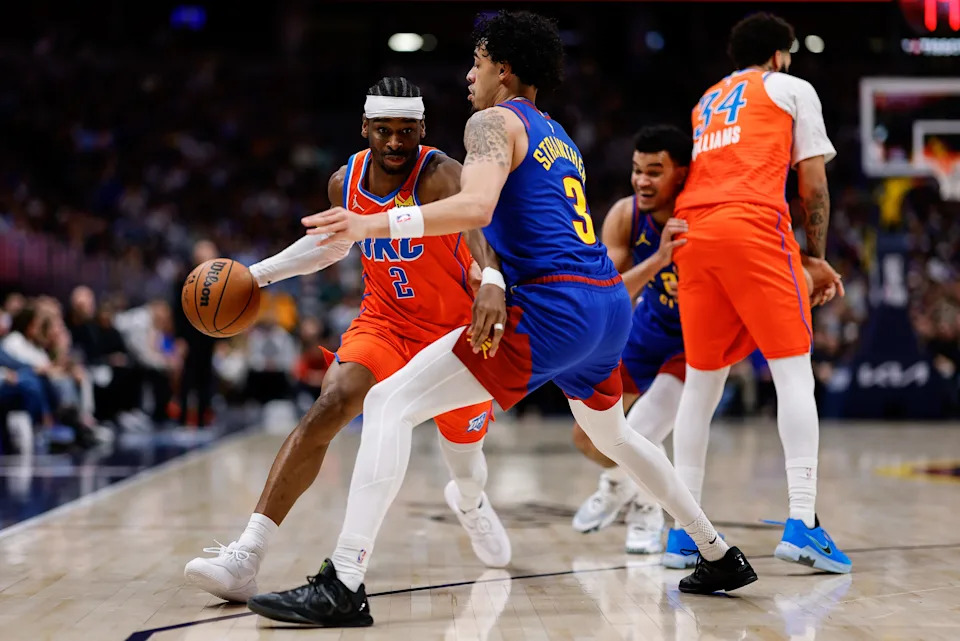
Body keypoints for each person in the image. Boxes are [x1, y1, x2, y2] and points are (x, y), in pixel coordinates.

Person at [249, 11, 758, 628]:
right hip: (605, 306)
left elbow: (475, 205)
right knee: (615, 436)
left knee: (387, 406)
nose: (469, 75)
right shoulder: (557, 134)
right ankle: (716, 551)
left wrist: (371, 222)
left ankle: (344, 582)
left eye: (477, 61)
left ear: (504, 68)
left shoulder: (492, 121)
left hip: (553, 306)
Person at [184, 77, 510, 603]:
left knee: (465, 462)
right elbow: (331, 245)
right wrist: (257, 275)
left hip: (452, 335)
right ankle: (247, 554)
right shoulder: (345, 181)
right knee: (330, 404)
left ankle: (470, 503)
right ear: (365, 129)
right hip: (384, 322)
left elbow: (480, 233)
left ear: (422, 129)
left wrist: (490, 278)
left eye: (407, 131)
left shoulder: (442, 174)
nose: (397, 143)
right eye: (385, 131)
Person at [670, 12, 851, 573]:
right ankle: (802, 523)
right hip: (750, 225)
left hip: (692, 235)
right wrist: (814, 257)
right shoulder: (792, 87)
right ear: (780, 54)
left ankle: (684, 531)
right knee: (793, 370)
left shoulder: (708, 99)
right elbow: (813, 182)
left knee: (701, 385)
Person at [569, 125, 689, 557]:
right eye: (637, 170)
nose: (642, 180)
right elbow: (608, 293)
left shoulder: (702, 214)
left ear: (682, 174)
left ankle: (641, 505)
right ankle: (621, 483)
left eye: (654, 172)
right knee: (588, 437)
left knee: (638, 434)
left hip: (696, 344)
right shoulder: (625, 215)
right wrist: (659, 259)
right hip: (648, 329)